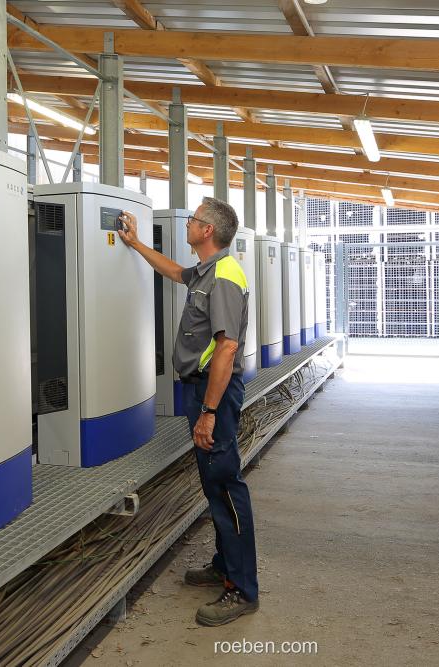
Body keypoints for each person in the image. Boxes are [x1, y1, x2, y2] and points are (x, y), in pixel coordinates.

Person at [118, 197, 259, 627]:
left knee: (224, 484)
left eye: (195, 219)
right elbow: (174, 272)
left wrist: (209, 413)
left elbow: (227, 347)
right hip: (202, 392)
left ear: (208, 232)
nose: (189, 223)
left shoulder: (224, 277)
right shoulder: (205, 271)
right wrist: (136, 244)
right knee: (213, 484)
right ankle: (224, 565)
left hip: (214, 395)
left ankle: (241, 589)